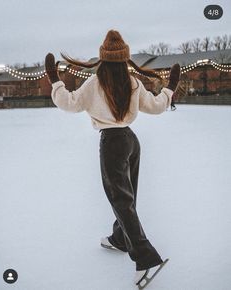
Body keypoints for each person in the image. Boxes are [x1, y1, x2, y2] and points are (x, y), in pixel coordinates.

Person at [45, 30, 180, 289]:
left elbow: (70, 103)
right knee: (127, 197)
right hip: (131, 141)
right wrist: (170, 88)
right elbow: (155, 106)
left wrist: (55, 80)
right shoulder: (133, 82)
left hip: (112, 144)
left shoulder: (95, 82)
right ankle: (120, 237)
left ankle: (146, 258)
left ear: (104, 59)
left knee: (121, 198)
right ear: (125, 59)